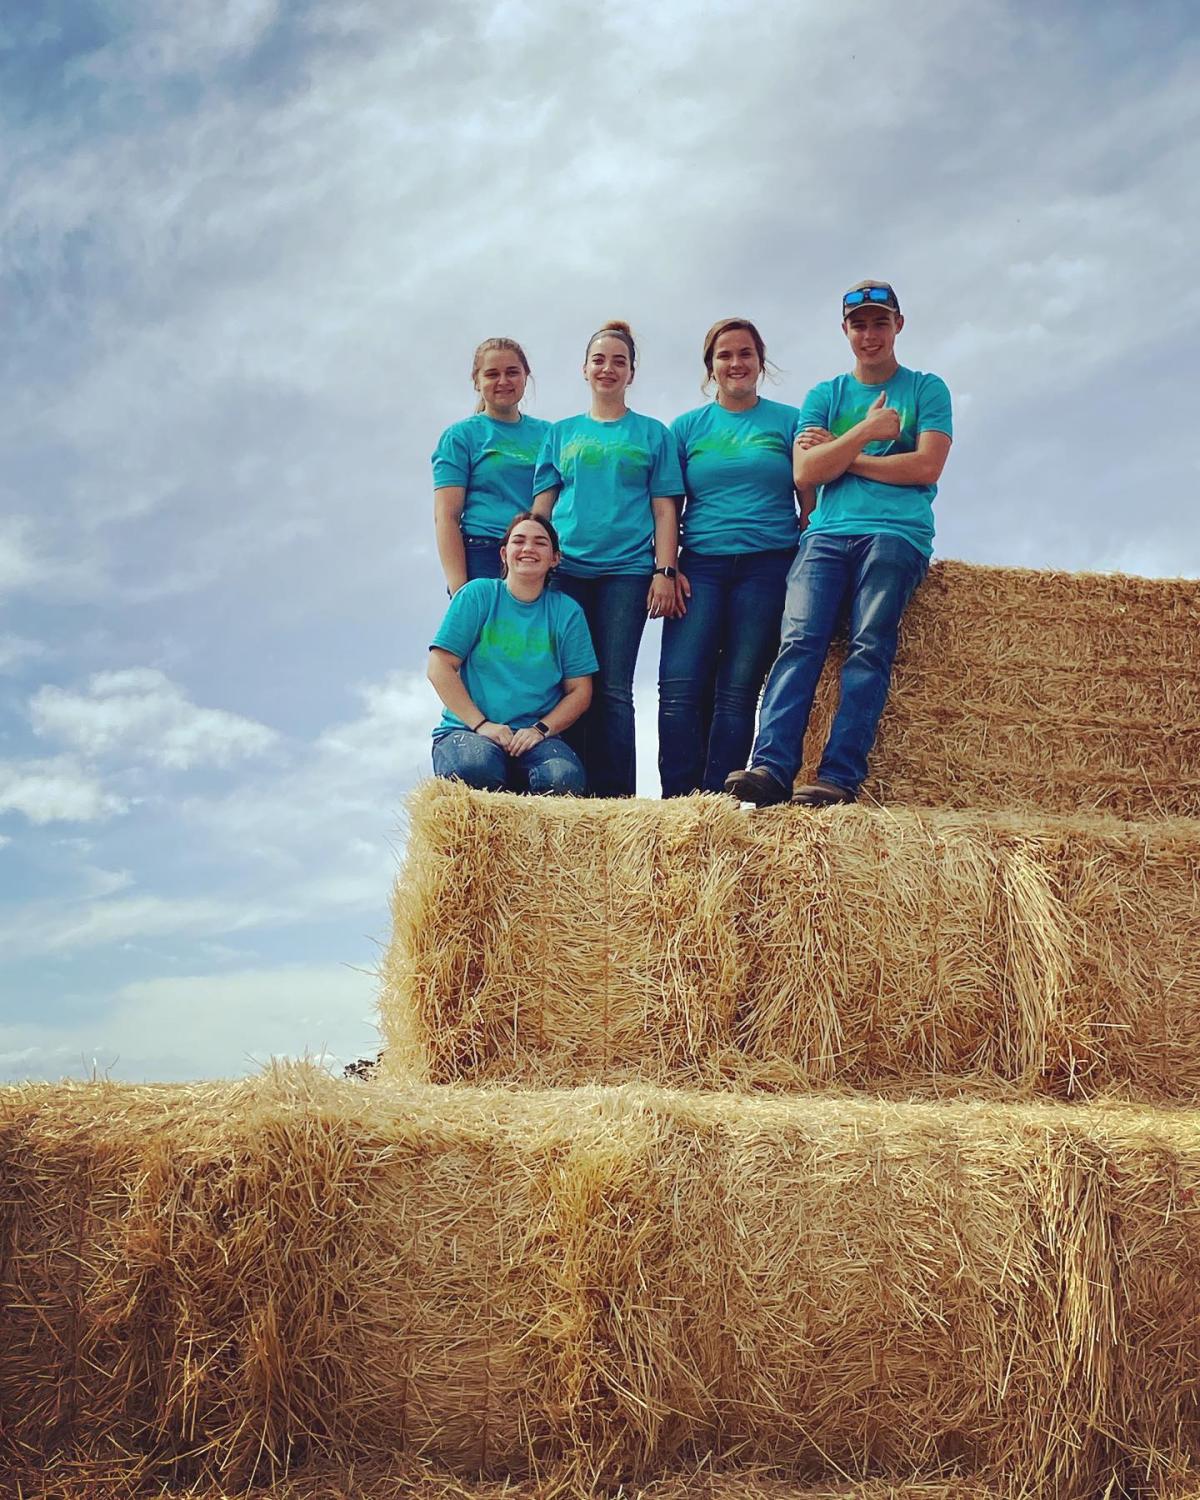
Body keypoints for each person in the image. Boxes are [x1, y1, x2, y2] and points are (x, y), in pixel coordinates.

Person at [725, 280, 953, 808]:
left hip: (896, 535)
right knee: (799, 642)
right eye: (859, 324)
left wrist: (843, 456)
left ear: (898, 324)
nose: (869, 334)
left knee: (869, 646)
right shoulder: (825, 395)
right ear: (845, 330)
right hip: (827, 534)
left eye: (879, 322)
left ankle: (838, 776)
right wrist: (868, 431)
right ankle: (772, 767)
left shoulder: (926, 389)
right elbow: (805, 471)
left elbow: (927, 465)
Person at [658, 318, 812, 797]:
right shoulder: (684, 429)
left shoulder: (790, 420)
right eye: (725, 355)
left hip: (768, 565)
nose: (736, 363)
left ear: (760, 362)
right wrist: (667, 567)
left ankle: (718, 801)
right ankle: (678, 801)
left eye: (745, 354)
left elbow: (808, 496)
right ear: (711, 367)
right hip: (701, 565)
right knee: (680, 688)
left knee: (738, 690)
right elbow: (667, 505)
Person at [532, 320, 683, 797]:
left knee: (614, 687)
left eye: (619, 361)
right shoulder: (560, 434)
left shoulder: (653, 434)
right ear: (584, 369)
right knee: (568, 682)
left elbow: (665, 509)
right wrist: (532, 564)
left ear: (631, 373)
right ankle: (568, 787)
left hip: (626, 573)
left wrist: (664, 570)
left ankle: (615, 797)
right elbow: (542, 508)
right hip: (568, 572)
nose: (608, 368)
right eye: (599, 359)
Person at [427, 511, 597, 795]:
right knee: (477, 767)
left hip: (534, 737)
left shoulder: (567, 613)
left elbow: (580, 691)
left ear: (555, 558)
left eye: (540, 543)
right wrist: (482, 725)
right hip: (469, 731)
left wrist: (540, 730)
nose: (528, 548)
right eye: (519, 541)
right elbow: (439, 666)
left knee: (562, 779)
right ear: (504, 554)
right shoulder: (477, 595)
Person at [432, 338, 550, 593]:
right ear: (477, 380)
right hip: (482, 555)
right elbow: (446, 517)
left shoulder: (550, 435)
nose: (503, 381)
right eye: (492, 374)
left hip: (536, 556)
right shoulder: (460, 437)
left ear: (525, 376)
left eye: (512, 372)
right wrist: (459, 586)